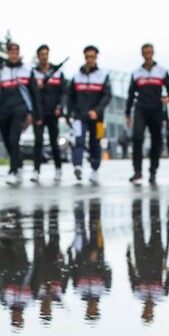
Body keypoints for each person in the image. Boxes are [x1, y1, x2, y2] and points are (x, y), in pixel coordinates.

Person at [125, 42, 169, 184]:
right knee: (137, 138)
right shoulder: (136, 73)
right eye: (145, 53)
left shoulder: (162, 71)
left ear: (153, 53)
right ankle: (137, 171)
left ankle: (153, 171)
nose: (147, 55)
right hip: (140, 109)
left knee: (156, 140)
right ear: (142, 54)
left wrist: (168, 97)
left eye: (150, 52)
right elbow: (130, 94)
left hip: (157, 109)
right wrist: (127, 113)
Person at [0, 41, 36, 186]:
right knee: (8, 141)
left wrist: (33, 113)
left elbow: (34, 94)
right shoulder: (0, 71)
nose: (13, 55)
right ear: (8, 54)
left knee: (14, 139)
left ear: (19, 54)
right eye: (11, 53)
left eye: (16, 53)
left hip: (20, 110)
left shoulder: (27, 71)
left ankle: (12, 170)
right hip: (3, 111)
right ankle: (18, 164)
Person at [67, 46, 110, 183]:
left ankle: (95, 169)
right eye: (87, 57)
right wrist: (69, 114)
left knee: (95, 143)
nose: (90, 59)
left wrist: (97, 111)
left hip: (97, 119)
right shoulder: (77, 76)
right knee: (78, 141)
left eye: (92, 57)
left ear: (96, 57)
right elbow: (70, 97)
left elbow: (107, 96)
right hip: (80, 116)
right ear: (84, 57)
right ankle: (78, 166)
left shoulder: (103, 75)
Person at [127, 194, 169, 322]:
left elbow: (131, 274)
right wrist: (168, 269)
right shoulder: (162, 295)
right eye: (149, 313)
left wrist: (128, 255)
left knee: (138, 228)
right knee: (155, 225)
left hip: (140, 257)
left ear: (142, 311)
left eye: (146, 313)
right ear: (153, 313)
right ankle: (155, 202)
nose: (148, 310)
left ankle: (136, 202)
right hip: (157, 257)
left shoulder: (137, 294)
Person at [68, 198, 112, 321]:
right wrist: (98, 258)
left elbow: (73, 272)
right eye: (93, 311)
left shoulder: (79, 291)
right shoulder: (104, 290)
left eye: (90, 311)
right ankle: (95, 201)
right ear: (98, 309)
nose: (91, 308)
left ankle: (78, 202)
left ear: (86, 310)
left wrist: (70, 255)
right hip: (96, 251)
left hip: (80, 253)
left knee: (79, 224)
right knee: (95, 224)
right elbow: (108, 271)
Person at [31, 45, 67, 184]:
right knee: (38, 141)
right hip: (39, 113)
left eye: (46, 54)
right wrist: (36, 86)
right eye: (41, 54)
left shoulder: (57, 72)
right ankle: (36, 170)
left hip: (53, 112)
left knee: (54, 142)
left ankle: (58, 168)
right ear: (38, 56)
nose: (44, 57)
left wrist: (60, 107)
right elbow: (31, 92)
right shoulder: (33, 73)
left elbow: (64, 92)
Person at [0, 209, 34, 327]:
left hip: (5, 266)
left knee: (4, 239)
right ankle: (17, 215)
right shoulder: (29, 301)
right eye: (18, 319)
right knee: (18, 238)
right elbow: (35, 281)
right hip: (22, 266)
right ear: (22, 318)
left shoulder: (4, 301)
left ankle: (4, 216)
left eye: (14, 319)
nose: (16, 316)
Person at [32, 206, 67, 323]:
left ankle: (38, 210)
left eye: (44, 311)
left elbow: (33, 275)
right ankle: (53, 210)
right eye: (47, 311)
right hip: (54, 259)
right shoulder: (58, 294)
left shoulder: (36, 294)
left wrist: (36, 259)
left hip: (41, 258)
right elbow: (64, 276)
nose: (45, 309)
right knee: (54, 231)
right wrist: (62, 260)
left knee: (38, 231)